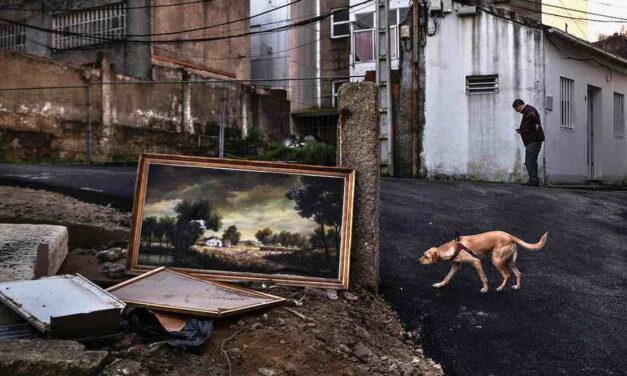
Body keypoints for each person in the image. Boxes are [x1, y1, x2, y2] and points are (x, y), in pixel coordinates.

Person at [513, 99, 545, 186]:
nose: (518, 111)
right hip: (533, 139)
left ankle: (534, 181)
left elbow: (533, 118)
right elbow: (529, 123)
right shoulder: (528, 111)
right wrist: (522, 130)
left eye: (517, 109)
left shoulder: (529, 110)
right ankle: (533, 180)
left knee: (530, 160)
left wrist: (536, 124)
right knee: (530, 160)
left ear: (519, 106)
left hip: (533, 139)